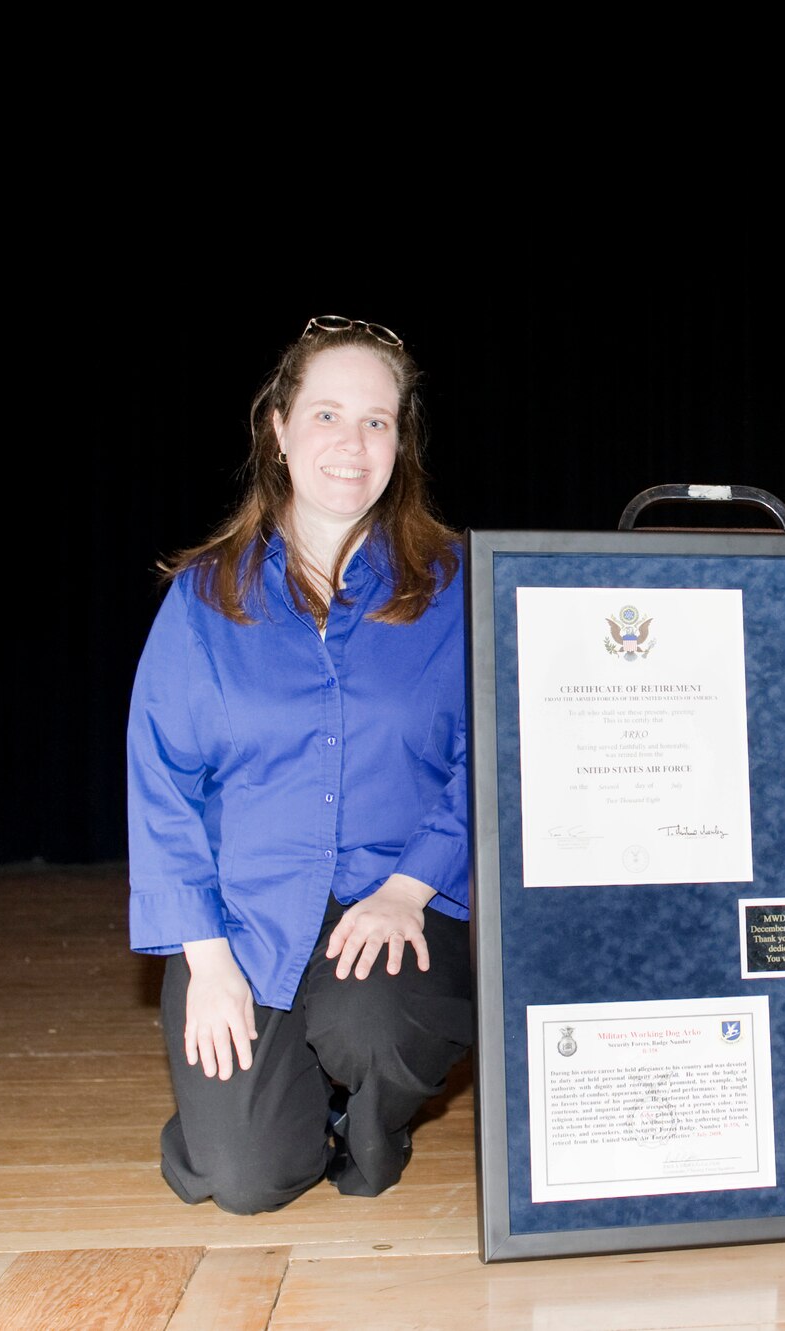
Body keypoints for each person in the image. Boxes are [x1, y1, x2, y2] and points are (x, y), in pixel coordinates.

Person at [126, 314, 474, 1212]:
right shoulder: (205, 595)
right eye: (326, 415)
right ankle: (266, 1114)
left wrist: (411, 886)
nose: (352, 444)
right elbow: (162, 785)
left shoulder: (458, 584)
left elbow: (496, 755)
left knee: (379, 1030)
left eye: (377, 420)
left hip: (398, 897)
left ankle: (370, 1118)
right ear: (278, 429)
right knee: (245, 1179)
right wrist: (205, 963)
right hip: (246, 917)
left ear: (402, 438)